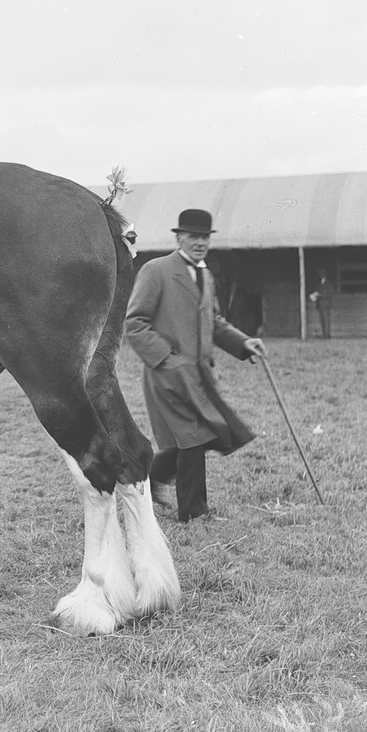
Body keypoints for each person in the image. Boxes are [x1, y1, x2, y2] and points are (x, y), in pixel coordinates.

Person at [124, 208, 266, 523]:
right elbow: (135, 323)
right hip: (167, 374)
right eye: (193, 236)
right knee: (194, 436)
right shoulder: (156, 270)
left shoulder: (206, 274)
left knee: (190, 439)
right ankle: (194, 512)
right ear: (179, 237)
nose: (199, 243)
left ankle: (143, 484)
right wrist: (167, 359)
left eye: (205, 237)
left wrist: (243, 343)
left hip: (199, 375)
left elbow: (213, 321)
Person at [309, 268, 335, 339]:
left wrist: (320, 295)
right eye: (320, 274)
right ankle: (324, 334)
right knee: (322, 320)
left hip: (326, 304)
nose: (321, 275)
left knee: (326, 320)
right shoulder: (319, 283)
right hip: (320, 304)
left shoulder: (329, 283)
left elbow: (330, 293)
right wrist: (314, 296)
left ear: (324, 274)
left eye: (322, 273)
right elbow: (317, 292)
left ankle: (327, 335)